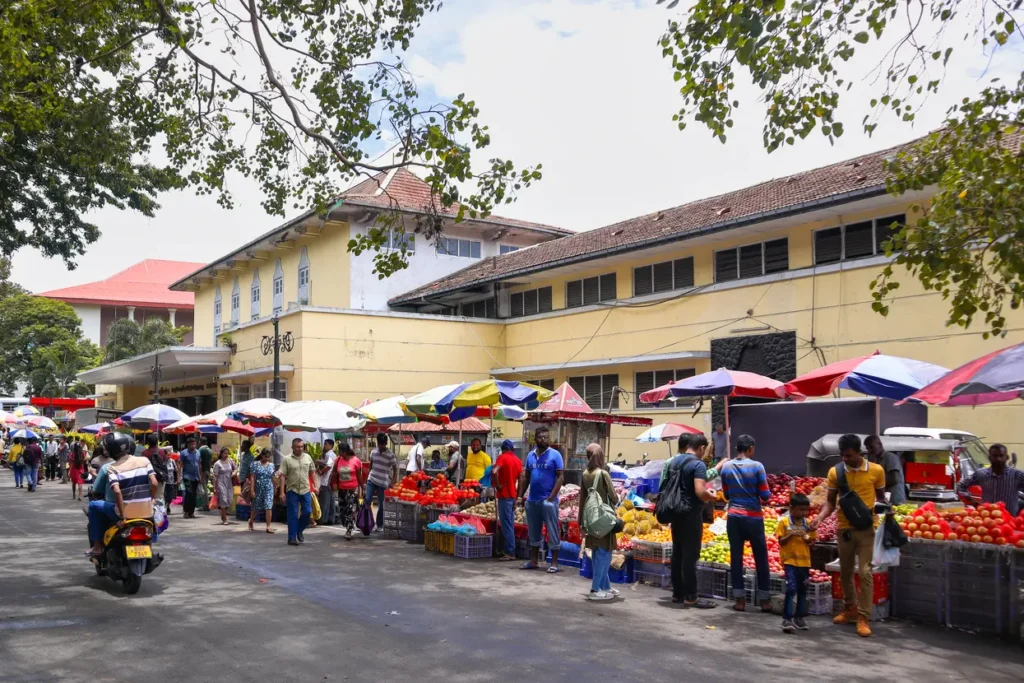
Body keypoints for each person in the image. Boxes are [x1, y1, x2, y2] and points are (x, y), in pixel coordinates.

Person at [812, 433, 885, 638]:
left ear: (859, 452)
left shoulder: (876, 471)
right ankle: (849, 608)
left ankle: (863, 617)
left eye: (848, 455)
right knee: (844, 572)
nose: (844, 459)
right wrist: (819, 518)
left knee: (865, 573)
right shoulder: (835, 472)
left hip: (867, 529)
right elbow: (830, 502)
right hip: (844, 528)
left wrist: (885, 513)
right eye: (842, 455)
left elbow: (881, 498)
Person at [662, 432, 717, 608]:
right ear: (701, 448)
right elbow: (700, 491)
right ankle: (691, 596)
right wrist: (712, 496)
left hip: (675, 511)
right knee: (690, 555)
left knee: (677, 552)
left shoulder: (674, 461)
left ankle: (677, 593)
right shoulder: (698, 464)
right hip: (690, 514)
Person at [720, 434, 772, 612]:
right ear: (750, 449)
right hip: (753, 518)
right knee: (761, 558)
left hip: (734, 517)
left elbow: (726, 495)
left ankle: (740, 600)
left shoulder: (726, 467)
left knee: (736, 558)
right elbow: (765, 495)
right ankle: (764, 600)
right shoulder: (758, 467)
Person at [86, 432, 157, 557]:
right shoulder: (144, 461)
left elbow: (117, 491)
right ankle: (152, 542)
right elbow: (154, 483)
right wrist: (152, 500)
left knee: (92, 505)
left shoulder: (112, 468)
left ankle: (97, 547)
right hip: (147, 512)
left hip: (123, 513)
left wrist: (123, 517)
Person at [518, 426, 564, 573]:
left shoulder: (555, 455)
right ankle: (533, 561)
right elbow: (526, 477)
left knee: (552, 531)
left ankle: (554, 563)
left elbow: (560, 477)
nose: (544, 439)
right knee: (533, 532)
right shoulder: (530, 456)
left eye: (546, 437)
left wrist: (551, 498)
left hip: (548, 501)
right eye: (541, 437)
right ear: (535, 439)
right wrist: (520, 496)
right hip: (532, 501)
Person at [579, 443, 619, 600]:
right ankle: (596, 589)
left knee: (596, 553)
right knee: (604, 553)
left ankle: (605, 586)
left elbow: (582, 499)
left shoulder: (585, 474)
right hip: (604, 519)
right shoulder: (603, 474)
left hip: (591, 518)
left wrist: (581, 522)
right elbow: (614, 498)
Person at [776, 493, 816, 633]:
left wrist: (808, 540)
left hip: (804, 561)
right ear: (791, 508)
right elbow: (780, 541)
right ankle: (787, 619)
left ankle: (799, 617)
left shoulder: (809, 524)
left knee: (803, 590)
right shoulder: (784, 522)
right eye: (800, 509)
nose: (803, 513)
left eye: (806, 510)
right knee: (791, 588)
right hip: (790, 560)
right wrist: (791, 534)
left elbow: (812, 543)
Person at [956, 443, 1024, 516]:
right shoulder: (981, 474)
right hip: (987, 520)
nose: (998, 459)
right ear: (989, 458)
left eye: (1001, 456)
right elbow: (961, 486)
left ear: (1007, 457)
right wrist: (973, 502)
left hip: (1010, 522)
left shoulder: (1017, 475)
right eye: (995, 456)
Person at [276, 438, 317, 546]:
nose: (300, 448)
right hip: (292, 490)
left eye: (301, 446)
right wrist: (281, 492)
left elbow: (312, 472)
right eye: (298, 446)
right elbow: (283, 476)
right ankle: (292, 538)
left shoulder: (307, 458)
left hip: (305, 489)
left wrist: (316, 486)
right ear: (292, 447)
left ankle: (299, 530)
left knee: (308, 511)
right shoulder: (287, 459)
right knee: (293, 515)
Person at [492, 439, 523, 560]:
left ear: (503, 449)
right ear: (513, 449)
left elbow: (494, 472)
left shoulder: (502, 457)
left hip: (504, 496)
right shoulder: (518, 461)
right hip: (513, 496)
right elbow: (521, 480)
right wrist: (518, 496)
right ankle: (508, 549)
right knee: (510, 523)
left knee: (507, 525)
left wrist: (498, 485)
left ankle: (510, 552)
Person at [329, 442, 364, 540]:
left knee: (350, 509)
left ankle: (349, 530)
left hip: (353, 489)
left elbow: (359, 476)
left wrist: (362, 487)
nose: (339, 453)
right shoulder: (338, 460)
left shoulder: (356, 461)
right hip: (342, 489)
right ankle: (346, 523)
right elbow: (334, 472)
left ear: (345, 452)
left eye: (340, 451)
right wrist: (331, 483)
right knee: (343, 510)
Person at [365, 433, 398, 532]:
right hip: (372, 479)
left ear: (386, 443)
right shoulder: (373, 452)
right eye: (380, 444)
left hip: (383, 482)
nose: (381, 446)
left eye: (383, 444)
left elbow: (395, 469)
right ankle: (367, 522)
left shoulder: (391, 455)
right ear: (378, 443)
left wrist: (393, 481)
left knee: (381, 504)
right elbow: (371, 465)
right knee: (367, 500)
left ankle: (379, 524)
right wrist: (367, 478)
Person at [864, 435, 906, 505]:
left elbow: (893, 479)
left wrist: (874, 484)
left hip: (895, 500)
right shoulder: (877, 460)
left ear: (880, 445)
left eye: (871, 447)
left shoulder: (890, 457)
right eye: (867, 448)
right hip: (887, 500)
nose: (869, 451)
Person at [248, 448, 277, 533]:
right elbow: (252, 477)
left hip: (269, 488)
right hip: (258, 488)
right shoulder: (255, 464)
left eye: (268, 457)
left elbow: (273, 477)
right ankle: (251, 520)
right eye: (265, 457)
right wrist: (252, 490)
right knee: (256, 507)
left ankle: (268, 526)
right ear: (262, 455)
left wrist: (275, 487)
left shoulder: (271, 465)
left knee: (268, 506)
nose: (266, 459)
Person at [179, 437, 202, 519]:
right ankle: (186, 511)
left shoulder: (198, 453)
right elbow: (180, 465)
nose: (193, 446)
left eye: (194, 444)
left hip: (196, 477)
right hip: (187, 476)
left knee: (194, 495)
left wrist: (200, 477)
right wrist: (179, 477)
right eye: (191, 444)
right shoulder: (184, 453)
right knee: (189, 493)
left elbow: (199, 465)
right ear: (188, 444)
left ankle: (191, 512)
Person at [316, 439, 338, 526]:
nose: (324, 446)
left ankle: (323, 519)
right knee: (331, 501)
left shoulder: (328, 454)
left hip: (326, 481)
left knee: (324, 501)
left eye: (326, 444)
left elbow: (328, 465)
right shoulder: (334, 455)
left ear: (331, 446)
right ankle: (331, 519)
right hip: (331, 481)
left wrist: (321, 471)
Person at [212, 447, 236, 525]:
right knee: (223, 499)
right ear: (221, 454)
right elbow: (215, 476)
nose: (226, 455)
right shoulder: (217, 463)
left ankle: (223, 513)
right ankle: (225, 519)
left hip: (229, 482)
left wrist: (234, 473)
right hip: (220, 482)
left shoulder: (230, 461)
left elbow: (235, 469)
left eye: (227, 453)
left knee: (230, 499)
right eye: (224, 453)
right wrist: (214, 487)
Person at [199, 438, 214, 511]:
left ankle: (205, 505)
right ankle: (205, 504)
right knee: (204, 488)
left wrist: (201, 474)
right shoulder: (210, 450)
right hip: (208, 470)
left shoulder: (201, 450)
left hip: (203, 471)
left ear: (200, 442)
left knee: (203, 488)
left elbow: (200, 463)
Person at [164, 449, 180, 514]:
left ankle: (168, 505)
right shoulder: (163, 462)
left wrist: (178, 479)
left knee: (171, 496)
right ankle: (165, 506)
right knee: (165, 495)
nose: (169, 456)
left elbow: (176, 470)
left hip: (171, 481)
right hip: (164, 481)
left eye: (169, 455)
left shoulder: (172, 461)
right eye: (167, 455)